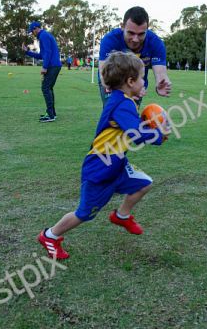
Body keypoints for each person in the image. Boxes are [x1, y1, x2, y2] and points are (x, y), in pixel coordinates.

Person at [37, 51, 170, 259]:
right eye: (143, 77)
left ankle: (121, 215)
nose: (144, 81)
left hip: (115, 164)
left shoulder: (122, 98)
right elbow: (137, 135)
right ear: (129, 81)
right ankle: (50, 235)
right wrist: (159, 135)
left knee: (144, 183)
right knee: (84, 214)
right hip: (99, 168)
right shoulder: (123, 104)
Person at [98, 6, 171, 107]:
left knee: (131, 112)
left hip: (137, 85)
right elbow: (104, 76)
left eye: (141, 34)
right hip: (112, 83)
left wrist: (160, 83)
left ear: (147, 28)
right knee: (115, 113)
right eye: (131, 33)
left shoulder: (155, 44)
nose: (135, 39)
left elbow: (161, 74)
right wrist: (125, 89)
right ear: (122, 27)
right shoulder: (110, 40)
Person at [22, 22, 62, 122]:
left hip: (52, 65)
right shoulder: (44, 36)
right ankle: (52, 112)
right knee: (49, 88)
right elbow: (42, 55)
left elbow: (48, 52)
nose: (32, 34)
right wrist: (27, 52)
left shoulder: (43, 36)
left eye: (32, 31)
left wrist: (44, 67)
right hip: (54, 65)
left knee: (45, 87)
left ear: (36, 29)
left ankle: (50, 114)